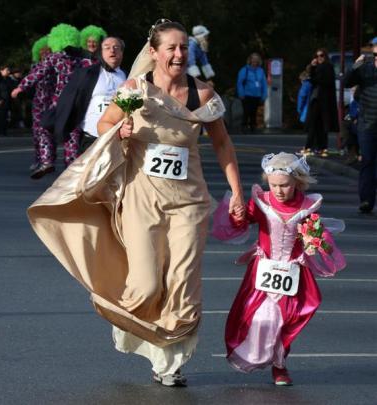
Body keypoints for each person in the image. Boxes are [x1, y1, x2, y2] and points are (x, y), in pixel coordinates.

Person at [27, 19, 245, 387]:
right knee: (144, 286)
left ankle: (170, 363)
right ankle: (135, 327)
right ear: (155, 53)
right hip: (142, 198)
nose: (178, 54)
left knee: (184, 283)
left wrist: (237, 191)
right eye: (171, 48)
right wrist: (121, 128)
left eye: (183, 48)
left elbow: (222, 143)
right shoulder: (134, 90)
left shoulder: (203, 95)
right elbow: (104, 124)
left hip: (189, 202)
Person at [212, 152, 346, 385]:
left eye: (284, 185)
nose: (278, 191)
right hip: (264, 271)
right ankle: (258, 353)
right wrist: (237, 215)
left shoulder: (306, 206)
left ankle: (280, 365)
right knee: (262, 318)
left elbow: (314, 231)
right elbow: (243, 222)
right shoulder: (261, 201)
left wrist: (316, 241)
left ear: (297, 182)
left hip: (293, 271)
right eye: (273, 185)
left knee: (285, 321)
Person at [12, 23, 93, 178]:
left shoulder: (55, 58)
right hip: (75, 104)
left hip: (59, 103)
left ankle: (47, 160)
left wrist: (20, 88)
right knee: (72, 136)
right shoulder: (84, 60)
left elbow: (37, 73)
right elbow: (98, 70)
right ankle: (71, 169)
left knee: (44, 129)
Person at [50, 37, 126, 153]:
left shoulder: (128, 76)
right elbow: (68, 99)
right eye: (107, 48)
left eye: (116, 47)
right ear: (101, 52)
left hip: (118, 139)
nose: (112, 50)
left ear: (121, 52)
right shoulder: (87, 73)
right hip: (91, 139)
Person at [344, 37, 377, 213]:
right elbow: (347, 82)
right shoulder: (365, 71)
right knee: (368, 162)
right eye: (375, 54)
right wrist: (354, 66)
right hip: (368, 125)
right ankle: (366, 200)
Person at [11, 36, 54, 173]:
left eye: (47, 50)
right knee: (37, 133)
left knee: (50, 133)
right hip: (38, 103)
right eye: (42, 51)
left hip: (53, 102)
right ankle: (39, 159)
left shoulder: (57, 65)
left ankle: (49, 159)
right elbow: (31, 80)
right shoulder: (35, 66)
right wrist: (22, 90)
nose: (44, 53)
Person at [303, 48, 338, 157]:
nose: (319, 58)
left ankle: (313, 147)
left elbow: (324, 81)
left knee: (318, 124)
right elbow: (314, 79)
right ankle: (318, 147)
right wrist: (312, 69)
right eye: (317, 56)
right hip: (317, 98)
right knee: (317, 124)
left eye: (321, 55)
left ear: (325, 56)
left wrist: (312, 76)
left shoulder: (327, 67)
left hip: (323, 100)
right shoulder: (318, 67)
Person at [236, 53, 268, 133]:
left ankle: (253, 127)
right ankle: (244, 126)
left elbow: (264, 83)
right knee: (246, 111)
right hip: (247, 95)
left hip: (257, 95)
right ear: (250, 60)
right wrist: (241, 93)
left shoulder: (260, 71)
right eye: (253, 59)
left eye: (256, 60)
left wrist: (264, 95)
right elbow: (240, 82)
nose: (254, 61)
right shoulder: (244, 70)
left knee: (254, 112)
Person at [297, 68, 313, 153]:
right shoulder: (313, 84)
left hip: (307, 110)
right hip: (314, 109)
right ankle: (314, 147)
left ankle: (308, 147)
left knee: (310, 130)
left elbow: (302, 97)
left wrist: (299, 109)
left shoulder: (305, 85)